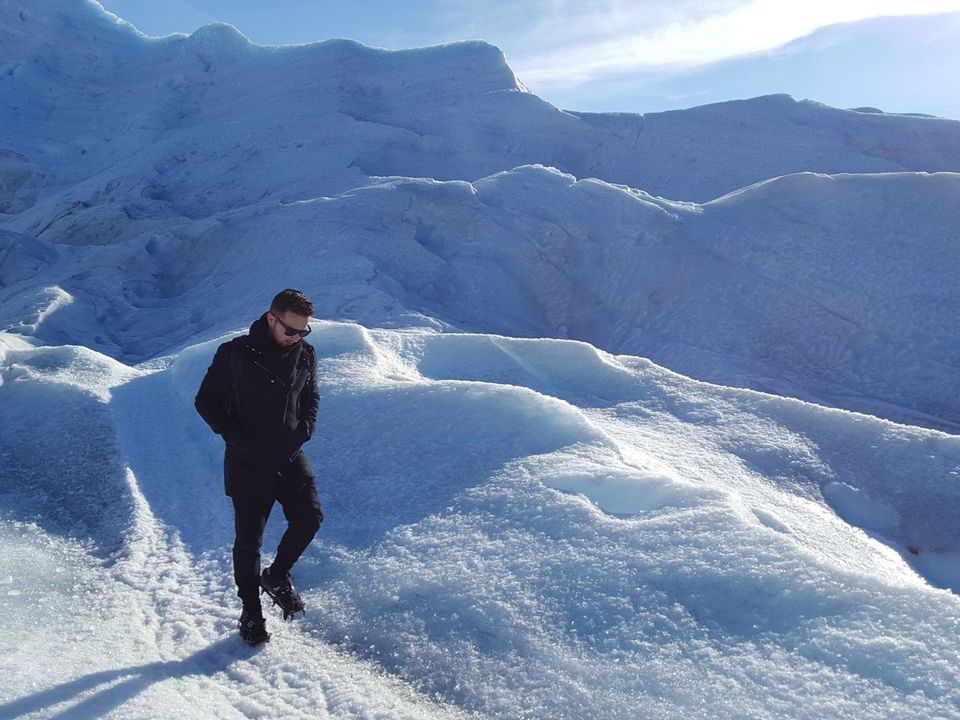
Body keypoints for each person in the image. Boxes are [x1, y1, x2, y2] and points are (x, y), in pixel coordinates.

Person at [195, 289, 323, 645]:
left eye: (304, 331)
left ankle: (277, 576)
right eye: (290, 330)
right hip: (248, 461)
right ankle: (251, 612)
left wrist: (306, 428)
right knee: (249, 542)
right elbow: (205, 401)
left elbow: (311, 394)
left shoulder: (306, 355)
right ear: (271, 319)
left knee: (309, 518)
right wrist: (237, 438)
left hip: (288, 454)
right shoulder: (235, 354)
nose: (297, 337)